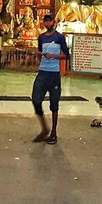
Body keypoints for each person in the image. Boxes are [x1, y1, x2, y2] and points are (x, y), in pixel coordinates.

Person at [32, 13, 70, 145]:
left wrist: (53, 56)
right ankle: (44, 128)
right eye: (46, 21)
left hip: (54, 74)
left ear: (54, 22)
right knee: (36, 99)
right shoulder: (41, 37)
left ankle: (53, 132)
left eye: (50, 21)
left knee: (54, 105)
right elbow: (40, 53)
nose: (48, 23)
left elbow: (66, 55)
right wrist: (39, 55)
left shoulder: (59, 37)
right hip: (42, 72)